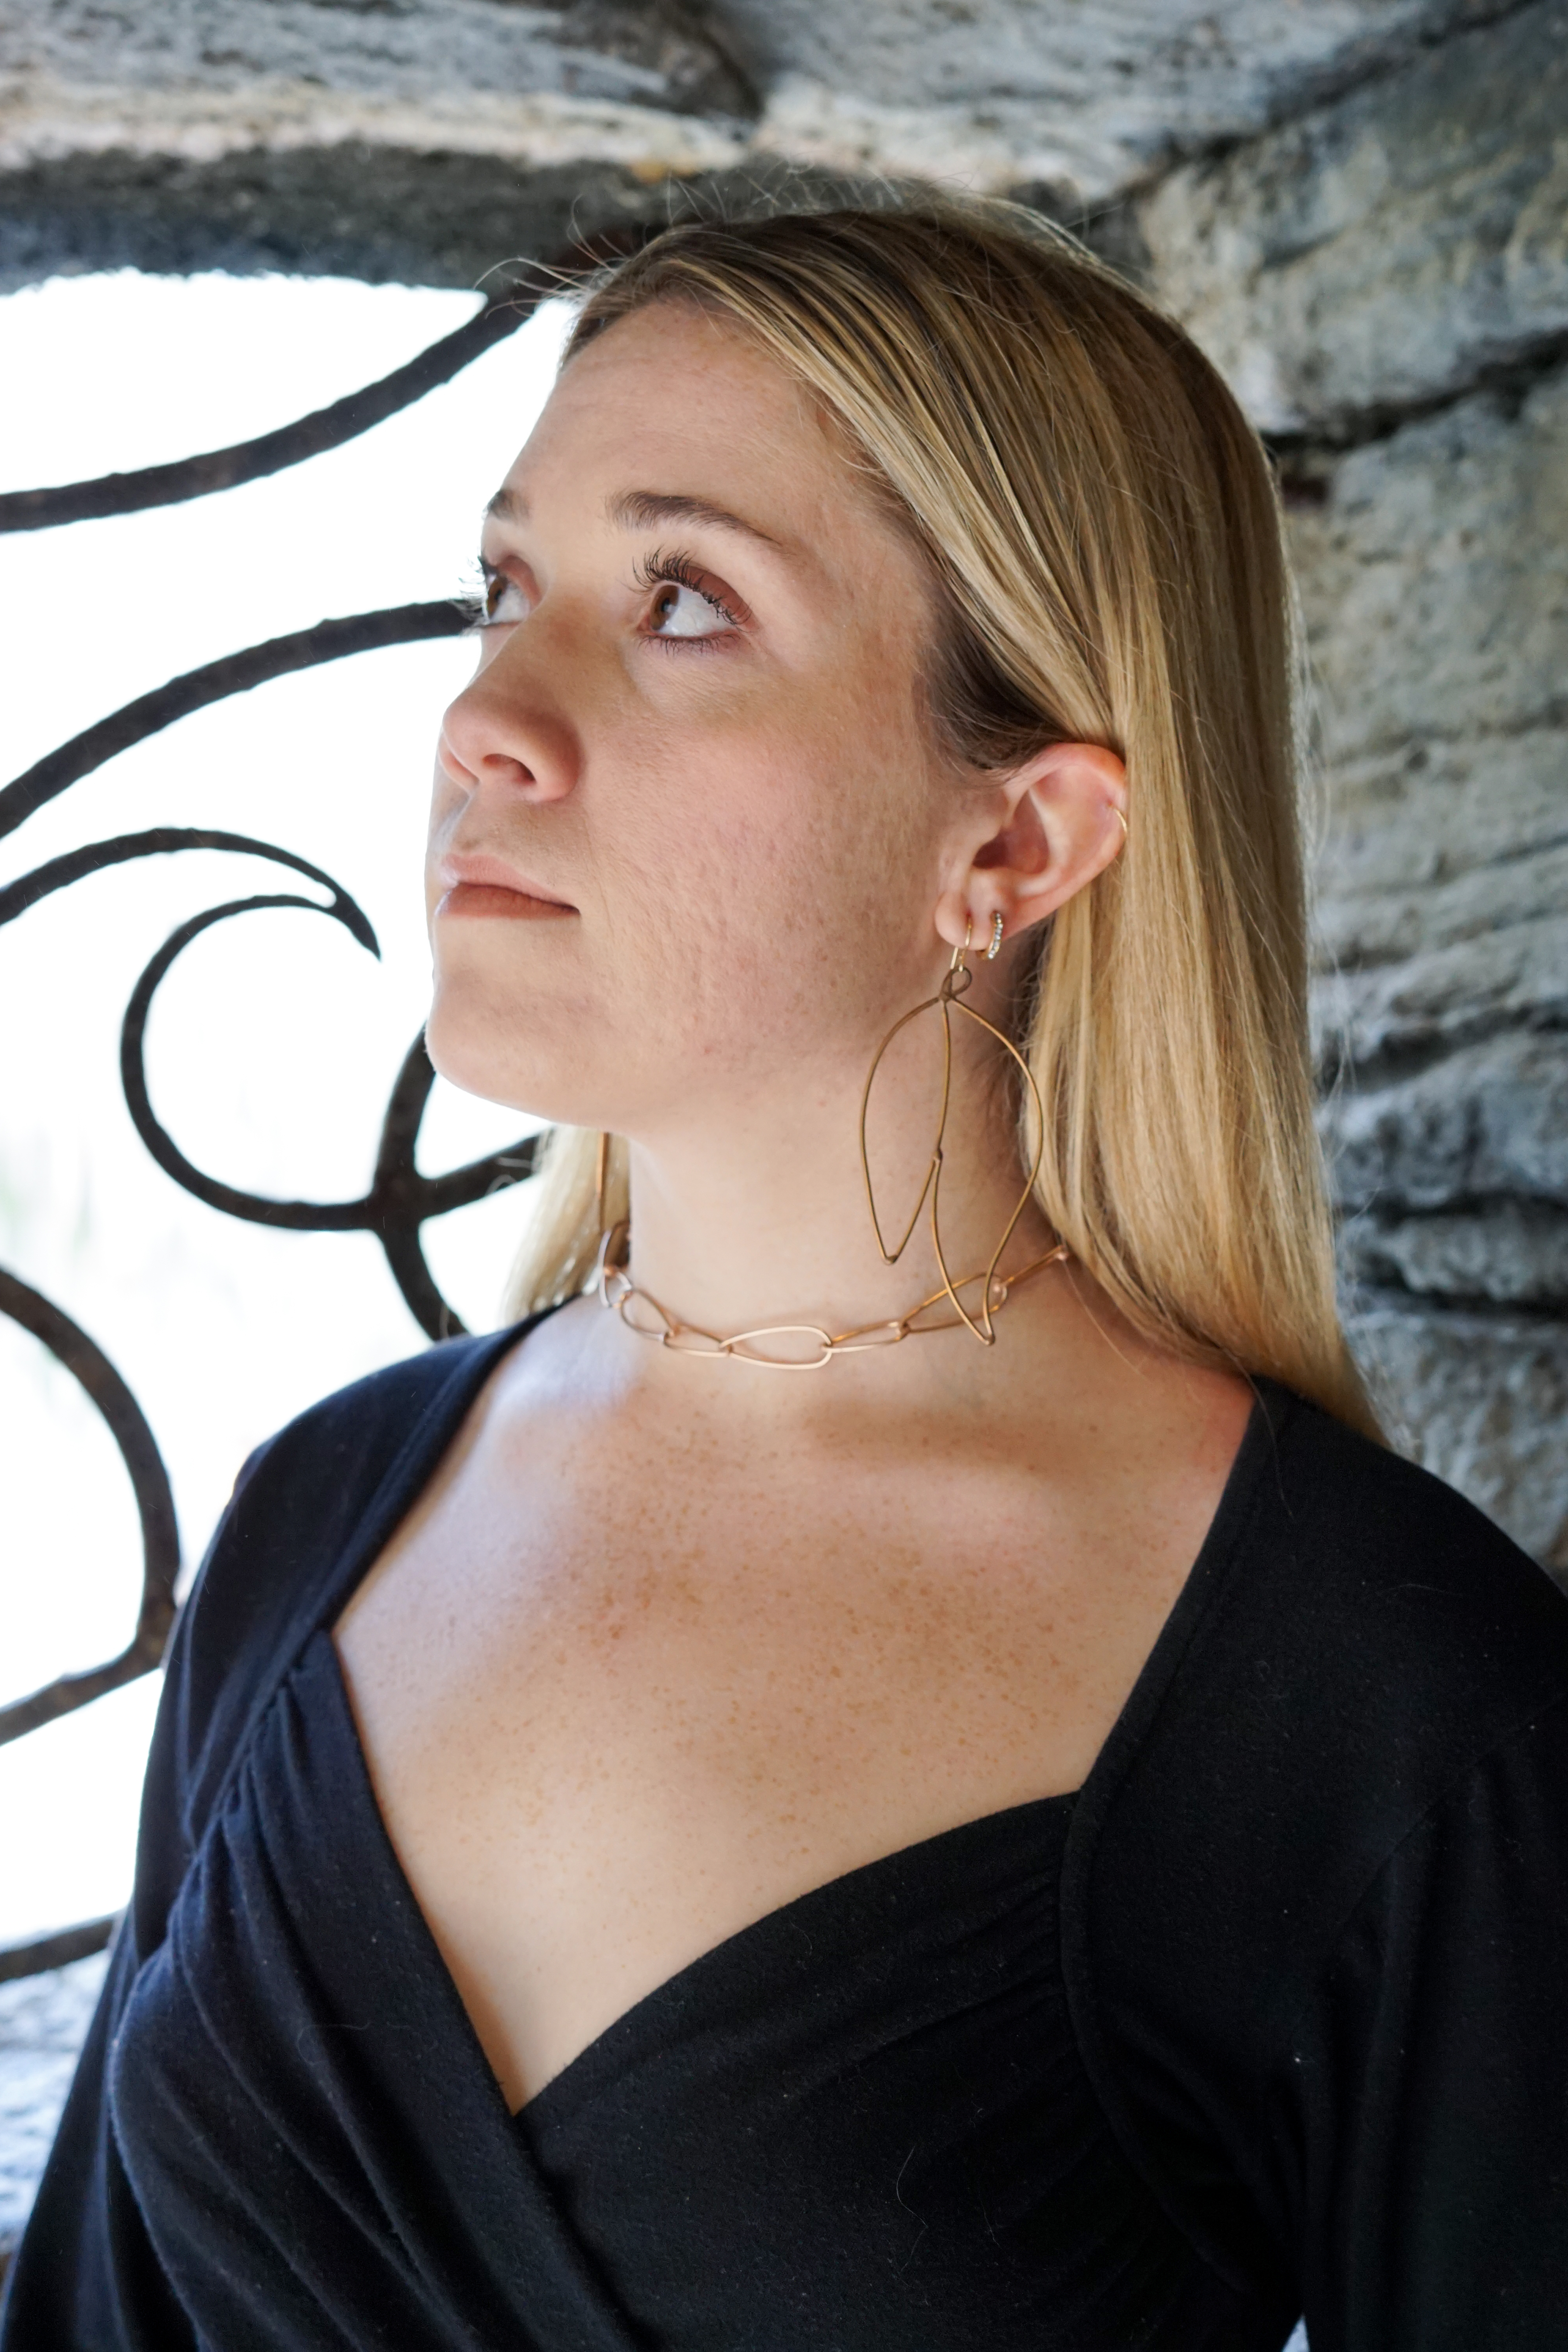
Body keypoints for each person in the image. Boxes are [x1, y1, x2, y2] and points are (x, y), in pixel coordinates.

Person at [5, 197, 1567, 2352]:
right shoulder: (316, 1520)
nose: (488, 717)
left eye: (681, 600)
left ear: (1015, 844)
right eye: (503, 585)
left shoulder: (1391, 1697)